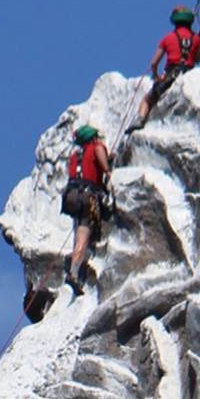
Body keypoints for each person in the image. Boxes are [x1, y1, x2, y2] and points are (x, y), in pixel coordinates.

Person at [61, 123, 112, 296]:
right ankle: (74, 273)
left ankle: (74, 268)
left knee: (78, 233)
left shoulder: (76, 155)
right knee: (83, 235)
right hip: (87, 195)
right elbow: (100, 158)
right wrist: (108, 170)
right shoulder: (96, 146)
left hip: (72, 196)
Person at [133, 6, 200, 129]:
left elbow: (154, 63)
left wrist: (156, 76)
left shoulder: (168, 38)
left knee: (147, 99)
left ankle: (140, 120)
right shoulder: (197, 39)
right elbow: (197, 59)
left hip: (171, 75)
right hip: (189, 73)